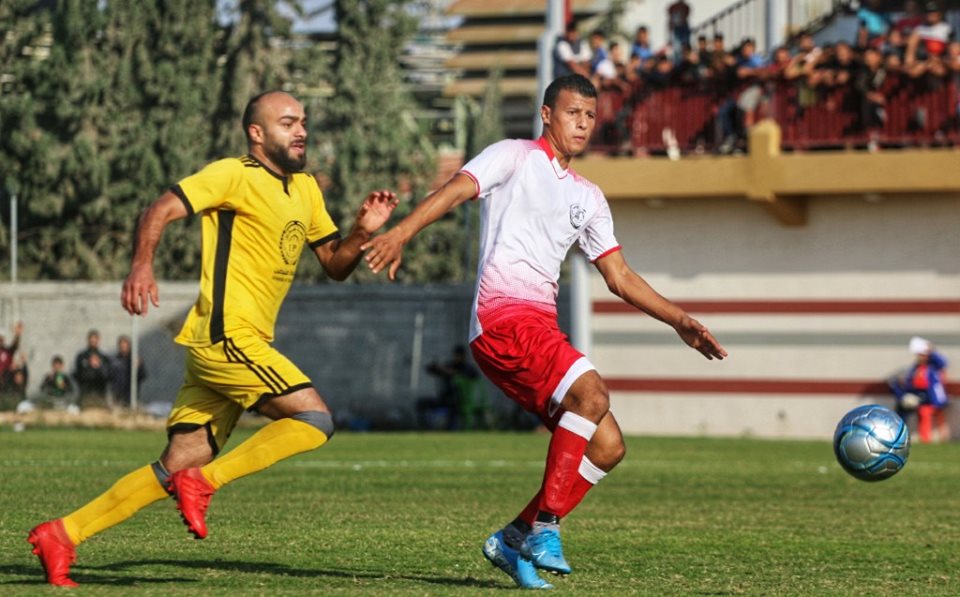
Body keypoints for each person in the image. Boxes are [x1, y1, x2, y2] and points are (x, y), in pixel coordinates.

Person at [361, 74, 727, 589]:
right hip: (502, 319)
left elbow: (619, 276)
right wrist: (400, 232)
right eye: (573, 112)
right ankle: (545, 529)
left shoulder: (588, 197)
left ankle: (512, 538)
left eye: (590, 115)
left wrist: (680, 321)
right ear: (547, 114)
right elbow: (454, 191)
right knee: (591, 393)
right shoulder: (513, 156)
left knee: (607, 446)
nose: (582, 123)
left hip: (538, 326)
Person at [27, 90, 399, 587]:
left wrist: (361, 231)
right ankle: (204, 483)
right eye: (288, 122)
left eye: (303, 122)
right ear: (257, 133)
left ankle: (63, 533)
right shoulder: (232, 174)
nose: (301, 131)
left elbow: (334, 264)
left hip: (230, 345)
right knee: (314, 420)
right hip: (227, 336)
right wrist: (141, 265)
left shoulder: (306, 189)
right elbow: (159, 209)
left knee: (174, 465)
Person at [889, 336, 949, 443]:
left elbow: (942, 362)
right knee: (902, 408)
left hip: (933, 399)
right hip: (920, 397)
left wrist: (931, 351)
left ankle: (926, 439)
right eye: (919, 355)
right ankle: (898, 435)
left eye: (923, 355)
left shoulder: (933, 366)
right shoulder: (915, 368)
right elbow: (910, 383)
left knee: (924, 411)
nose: (920, 357)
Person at [418, 345, 482, 430]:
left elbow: (473, 375)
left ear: (464, 356)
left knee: (453, 406)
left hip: (460, 400)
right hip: (444, 399)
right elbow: (432, 370)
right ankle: (425, 429)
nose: (457, 357)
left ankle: (450, 429)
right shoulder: (450, 365)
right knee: (420, 403)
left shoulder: (468, 368)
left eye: (459, 355)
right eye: (456, 355)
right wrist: (436, 368)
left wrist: (453, 373)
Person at [72, 329, 111, 407]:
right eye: (91, 340)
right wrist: (88, 365)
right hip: (85, 394)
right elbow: (77, 374)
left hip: (100, 394)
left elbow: (107, 376)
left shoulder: (104, 357)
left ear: (98, 340)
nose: (93, 342)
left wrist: (98, 366)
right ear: (88, 340)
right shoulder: (81, 356)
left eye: (95, 340)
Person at [108, 335, 147, 407]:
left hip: (131, 395)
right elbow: (109, 376)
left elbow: (143, 376)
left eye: (125, 345)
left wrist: (139, 367)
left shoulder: (135, 359)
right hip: (117, 395)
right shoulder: (114, 360)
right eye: (121, 346)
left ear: (129, 346)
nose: (123, 347)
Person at [0, 320, 23, 391]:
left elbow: (14, 346)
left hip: (6, 384)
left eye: (1, 339)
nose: (1, 341)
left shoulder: (7, 351)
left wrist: (17, 335)